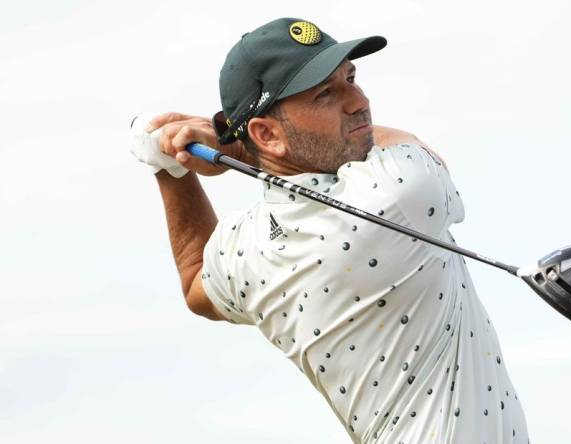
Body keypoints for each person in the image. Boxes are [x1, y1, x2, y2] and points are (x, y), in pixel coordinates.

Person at [130, 18, 529, 444]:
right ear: (267, 134)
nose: (359, 101)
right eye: (325, 93)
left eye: (351, 78)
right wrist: (235, 144)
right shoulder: (398, 194)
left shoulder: (247, 250)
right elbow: (411, 146)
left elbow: (195, 281)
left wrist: (168, 168)